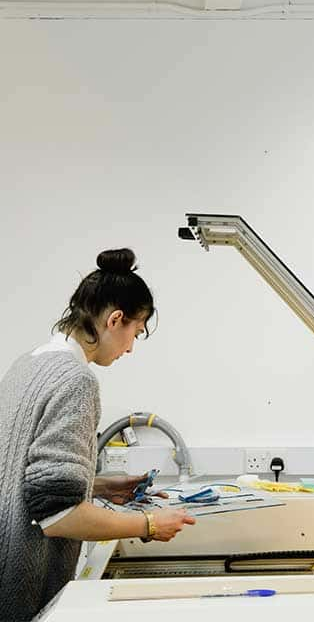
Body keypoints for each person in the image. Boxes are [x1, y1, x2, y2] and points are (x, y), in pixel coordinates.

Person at [0, 248, 196, 621]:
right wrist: (150, 524)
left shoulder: (29, 362)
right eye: (134, 333)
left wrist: (100, 487)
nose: (130, 348)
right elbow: (60, 517)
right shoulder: (76, 380)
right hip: (19, 581)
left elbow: (24, 480)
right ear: (115, 319)